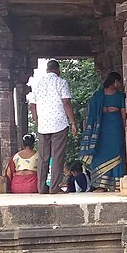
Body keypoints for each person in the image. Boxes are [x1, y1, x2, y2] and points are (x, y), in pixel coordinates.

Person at [28, 60, 77, 194]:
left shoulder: (37, 84)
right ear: (57, 70)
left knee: (43, 157)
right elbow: (66, 102)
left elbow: (32, 105)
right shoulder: (61, 82)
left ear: (47, 70)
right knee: (57, 156)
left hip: (43, 125)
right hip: (59, 123)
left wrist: (37, 120)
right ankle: (54, 187)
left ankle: (41, 188)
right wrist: (73, 122)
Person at [78, 71, 127, 191]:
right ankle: (110, 184)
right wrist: (126, 129)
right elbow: (124, 115)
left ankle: (103, 185)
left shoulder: (98, 95)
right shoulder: (119, 96)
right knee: (112, 154)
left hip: (102, 129)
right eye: (119, 82)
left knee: (109, 154)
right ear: (115, 82)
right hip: (112, 128)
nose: (120, 84)